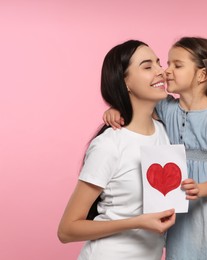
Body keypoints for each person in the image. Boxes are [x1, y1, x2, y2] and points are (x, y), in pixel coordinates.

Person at [104, 37, 207, 259]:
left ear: (202, 75)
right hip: (177, 205)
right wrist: (116, 109)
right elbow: (138, 100)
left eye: (177, 65)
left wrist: (201, 189)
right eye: (168, 64)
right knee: (181, 253)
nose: (167, 71)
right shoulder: (167, 107)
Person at [57, 40, 178, 260]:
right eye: (147, 66)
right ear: (125, 82)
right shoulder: (109, 145)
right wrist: (137, 222)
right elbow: (66, 230)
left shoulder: (166, 132)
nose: (161, 71)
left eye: (158, 63)